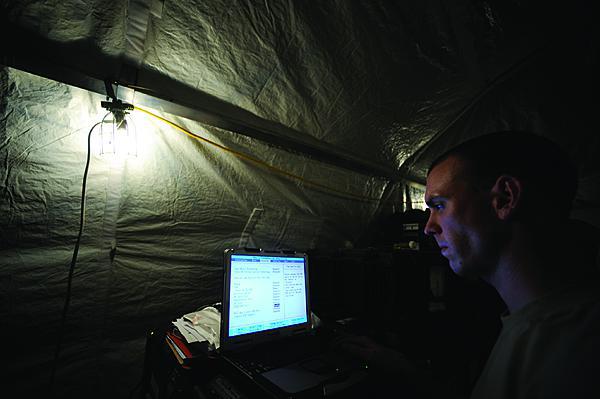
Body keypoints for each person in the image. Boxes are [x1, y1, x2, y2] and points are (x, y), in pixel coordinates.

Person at [336, 131, 600, 398]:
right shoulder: (543, 322)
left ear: (505, 198)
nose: (428, 228)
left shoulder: (571, 351)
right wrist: (408, 373)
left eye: (439, 205)